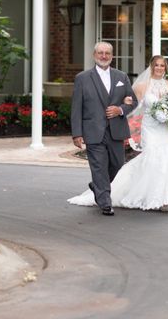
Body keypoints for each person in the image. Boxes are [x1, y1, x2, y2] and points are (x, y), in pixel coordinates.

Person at [68, 55, 168, 213]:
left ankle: (166, 198)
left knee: (167, 160)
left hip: (166, 129)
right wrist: (124, 110)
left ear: (166, 68)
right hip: (150, 128)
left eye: (162, 66)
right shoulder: (142, 86)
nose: (159, 68)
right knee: (151, 159)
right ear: (151, 67)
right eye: (156, 65)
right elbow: (132, 107)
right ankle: (148, 196)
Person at [70, 42, 138, 216]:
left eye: (107, 53)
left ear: (112, 56)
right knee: (99, 166)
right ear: (94, 55)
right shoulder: (82, 78)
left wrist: (120, 109)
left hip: (116, 130)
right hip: (93, 130)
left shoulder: (121, 77)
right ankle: (105, 202)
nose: (104, 56)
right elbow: (76, 107)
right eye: (100, 53)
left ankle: (98, 186)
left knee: (117, 164)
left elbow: (133, 101)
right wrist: (77, 133)